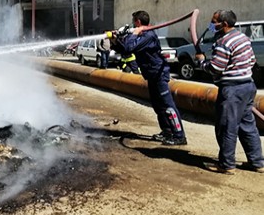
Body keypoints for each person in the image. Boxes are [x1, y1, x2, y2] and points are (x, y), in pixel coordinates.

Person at [195, 10, 264, 174]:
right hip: (248, 86)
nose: (212, 25)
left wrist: (202, 62)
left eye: (214, 22)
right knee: (248, 126)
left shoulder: (224, 42)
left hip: (233, 90)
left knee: (227, 127)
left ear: (224, 24)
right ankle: (257, 162)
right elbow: (252, 61)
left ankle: (226, 165)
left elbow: (216, 68)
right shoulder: (243, 38)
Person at [110, 10, 187, 145]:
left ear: (138, 22)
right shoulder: (141, 35)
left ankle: (179, 136)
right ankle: (167, 131)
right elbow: (124, 49)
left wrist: (133, 34)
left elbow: (129, 47)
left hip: (159, 74)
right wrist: (115, 39)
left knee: (168, 105)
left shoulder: (148, 36)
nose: (133, 24)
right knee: (158, 106)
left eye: (134, 21)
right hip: (151, 74)